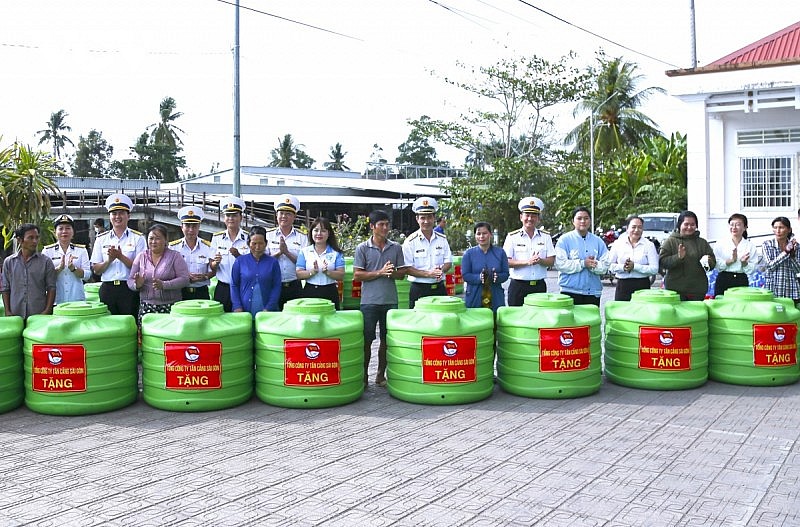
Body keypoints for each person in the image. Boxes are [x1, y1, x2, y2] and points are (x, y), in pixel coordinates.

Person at [353, 210, 408, 387]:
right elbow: (357, 275)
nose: (385, 228)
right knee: (367, 341)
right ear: (372, 227)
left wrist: (392, 273)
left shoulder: (396, 248)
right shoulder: (362, 248)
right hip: (369, 302)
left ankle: (380, 375)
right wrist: (380, 272)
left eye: (387, 224)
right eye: (381, 224)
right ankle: (363, 377)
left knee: (386, 340)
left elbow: (402, 274)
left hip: (390, 301)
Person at [90, 193, 146, 316]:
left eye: (121, 213)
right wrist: (109, 260)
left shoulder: (138, 238)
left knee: (131, 325)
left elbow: (142, 268)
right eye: (114, 213)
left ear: (128, 216)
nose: (117, 217)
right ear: (109, 217)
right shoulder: (101, 239)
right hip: (107, 289)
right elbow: (96, 270)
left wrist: (121, 257)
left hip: (129, 288)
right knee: (109, 326)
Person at [128, 224, 190, 324]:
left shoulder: (175, 256)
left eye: (157, 238)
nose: (153, 242)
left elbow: (184, 279)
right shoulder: (141, 257)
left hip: (170, 306)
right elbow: (130, 280)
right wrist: (137, 285)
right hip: (146, 307)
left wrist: (164, 285)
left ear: (166, 240)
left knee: (168, 338)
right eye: (151, 238)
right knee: (148, 338)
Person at [503, 196, 555, 306]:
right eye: (527, 215)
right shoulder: (512, 237)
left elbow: (551, 261)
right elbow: (506, 262)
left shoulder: (545, 237)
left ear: (538, 218)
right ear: (521, 217)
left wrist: (540, 261)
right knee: (516, 319)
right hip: (518, 287)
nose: (530, 219)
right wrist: (527, 262)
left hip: (539, 287)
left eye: (534, 215)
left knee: (538, 320)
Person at [402, 196, 452, 308]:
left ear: (434, 218)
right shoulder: (410, 241)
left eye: (429, 217)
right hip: (419, 289)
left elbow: (448, 262)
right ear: (417, 219)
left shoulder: (442, 239)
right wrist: (429, 274)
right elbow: (407, 268)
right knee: (418, 322)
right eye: (422, 218)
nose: (426, 221)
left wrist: (441, 270)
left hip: (439, 288)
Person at [555, 206, 609, 306]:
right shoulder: (564, 240)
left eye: (586, 218)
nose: (583, 221)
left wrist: (593, 265)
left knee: (591, 322)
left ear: (590, 221)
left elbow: (605, 265)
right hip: (570, 292)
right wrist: (583, 263)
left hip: (593, 292)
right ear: (573, 221)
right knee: (571, 322)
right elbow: (560, 264)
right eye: (579, 218)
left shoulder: (598, 241)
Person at [1, 224, 56, 319]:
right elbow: (5, 288)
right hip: (15, 314)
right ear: (19, 240)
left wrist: (47, 311)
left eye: (36, 237)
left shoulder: (46, 262)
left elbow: (51, 288)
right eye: (30, 238)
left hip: (39, 314)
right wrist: (7, 311)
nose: (35, 241)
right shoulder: (9, 262)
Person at [659, 210, 716, 301]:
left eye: (693, 224)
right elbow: (662, 262)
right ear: (679, 225)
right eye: (686, 224)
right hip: (675, 290)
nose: (689, 227)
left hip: (697, 290)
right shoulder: (670, 241)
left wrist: (708, 261)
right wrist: (678, 258)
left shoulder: (702, 243)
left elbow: (712, 264)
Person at [266, 193, 308, 310]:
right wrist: (279, 253)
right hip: (272, 285)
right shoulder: (267, 235)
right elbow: (263, 262)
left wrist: (287, 253)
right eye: (281, 213)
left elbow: (305, 263)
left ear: (294, 217)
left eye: (288, 214)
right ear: (276, 215)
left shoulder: (302, 237)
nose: (284, 216)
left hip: (294, 285)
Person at [295, 217, 345, 309]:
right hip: (309, 291)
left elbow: (341, 275)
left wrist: (328, 272)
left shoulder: (336, 253)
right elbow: (298, 274)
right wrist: (312, 272)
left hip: (329, 291)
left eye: (323, 231)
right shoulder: (304, 252)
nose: (319, 234)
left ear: (329, 233)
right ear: (311, 232)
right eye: (316, 230)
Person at [231, 226, 282, 316]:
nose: (257, 247)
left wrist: (269, 307)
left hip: (268, 311)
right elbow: (234, 285)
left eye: (261, 243)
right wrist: (237, 306)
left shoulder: (273, 262)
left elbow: (276, 286)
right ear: (248, 243)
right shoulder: (240, 261)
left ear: (266, 243)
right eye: (254, 243)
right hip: (243, 311)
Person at [210, 196, 249, 312]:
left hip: (243, 287)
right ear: (224, 218)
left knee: (243, 320)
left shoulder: (248, 238)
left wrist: (239, 257)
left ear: (241, 217)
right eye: (228, 215)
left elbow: (254, 264)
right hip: (223, 288)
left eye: (234, 215)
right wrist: (215, 263)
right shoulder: (217, 238)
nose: (231, 218)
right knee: (220, 322)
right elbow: (211, 266)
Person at [606, 215, 659, 301]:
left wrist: (635, 266)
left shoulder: (649, 245)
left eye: (640, 227)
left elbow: (654, 269)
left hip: (642, 286)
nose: (636, 230)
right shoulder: (618, 244)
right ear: (627, 228)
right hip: (623, 286)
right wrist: (623, 267)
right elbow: (609, 265)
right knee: (622, 313)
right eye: (633, 227)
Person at [42, 214, 91, 304]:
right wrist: (58, 269)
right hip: (55, 300)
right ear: (55, 232)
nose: (64, 231)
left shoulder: (81, 250)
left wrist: (74, 269)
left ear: (73, 232)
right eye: (61, 228)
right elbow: (43, 278)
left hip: (76, 299)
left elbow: (87, 275)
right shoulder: (47, 251)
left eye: (68, 228)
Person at [462, 222, 509, 312]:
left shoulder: (500, 253)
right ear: (475, 236)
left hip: (495, 295)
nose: (481, 236)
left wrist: (497, 277)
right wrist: (479, 278)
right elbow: (465, 275)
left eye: (485, 233)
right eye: (478, 234)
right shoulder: (469, 254)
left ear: (490, 234)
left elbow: (506, 274)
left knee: (495, 321)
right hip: (475, 295)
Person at [170, 205, 215, 300]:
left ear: (199, 227)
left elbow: (213, 271)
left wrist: (205, 277)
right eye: (187, 226)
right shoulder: (173, 247)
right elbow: (168, 271)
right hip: (179, 291)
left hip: (201, 292)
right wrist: (183, 276)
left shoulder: (208, 247)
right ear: (181, 227)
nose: (191, 230)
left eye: (194, 226)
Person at [713, 213, 759, 297]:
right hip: (724, 278)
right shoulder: (720, 243)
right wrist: (730, 261)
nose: (734, 227)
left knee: (740, 306)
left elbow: (752, 269)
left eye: (738, 225)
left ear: (745, 227)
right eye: (731, 225)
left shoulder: (750, 246)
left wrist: (744, 263)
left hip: (741, 279)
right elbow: (716, 264)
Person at [762, 216, 800, 303]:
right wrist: (786, 252)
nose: (778, 231)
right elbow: (770, 266)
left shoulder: (796, 246)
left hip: (791, 288)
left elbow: (798, 269)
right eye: (775, 228)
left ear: (789, 229)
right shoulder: (767, 244)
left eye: (781, 227)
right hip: (773, 287)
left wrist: (792, 255)